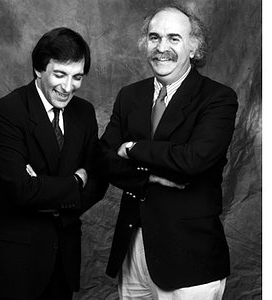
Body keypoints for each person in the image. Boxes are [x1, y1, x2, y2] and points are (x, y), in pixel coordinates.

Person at [99, 2, 238, 300]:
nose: (162, 47)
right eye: (154, 37)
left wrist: (133, 148)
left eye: (174, 38)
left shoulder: (218, 98)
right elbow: (104, 158)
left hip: (189, 258)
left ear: (193, 46)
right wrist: (146, 179)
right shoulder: (129, 95)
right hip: (133, 250)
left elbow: (192, 160)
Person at [0, 27, 108, 300]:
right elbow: (22, 190)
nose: (68, 87)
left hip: (63, 260)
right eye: (60, 74)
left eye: (77, 77)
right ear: (39, 70)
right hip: (14, 264)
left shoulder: (84, 112)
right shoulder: (7, 112)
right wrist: (75, 181)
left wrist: (45, 190)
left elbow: (97, 181)